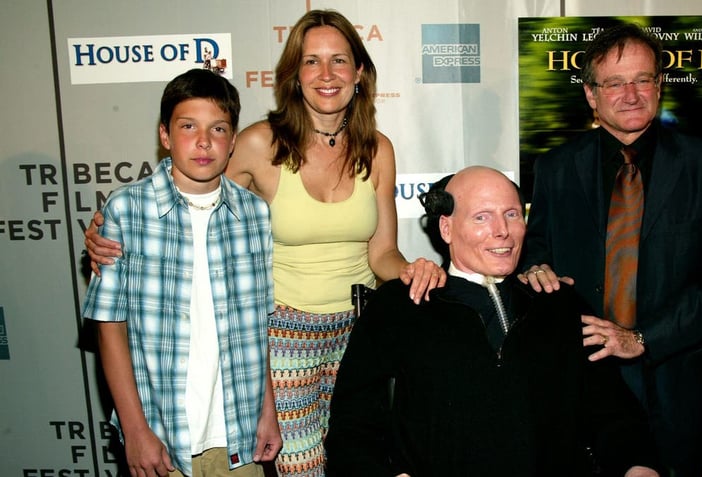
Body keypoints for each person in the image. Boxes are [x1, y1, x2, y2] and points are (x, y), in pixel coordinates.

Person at [84, 9, 446, 477]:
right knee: (303, 470)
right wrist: (111, 234)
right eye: (311, 61)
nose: (326, 74)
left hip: (361, 333)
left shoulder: (377, 148)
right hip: (283, 338)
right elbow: (193, 199)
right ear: (294, 76)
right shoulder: (255, 143)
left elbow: (381, 253)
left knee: (362, 459)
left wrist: (416, 271)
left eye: (339, 60)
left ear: (359, 73)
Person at [324, 166, 660, 477]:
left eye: (511, 214)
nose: (502, 231)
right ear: (446, 228)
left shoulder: (559, 303)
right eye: (482, 217)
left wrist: (638, 464)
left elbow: (613, 411)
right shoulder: (400, 306)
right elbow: (353, 425)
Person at [520, 23, 702, 476]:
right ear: (591, 94)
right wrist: (534, 268)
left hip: (675, 389)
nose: (631, 94)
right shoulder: (556, 168)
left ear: (659, 85)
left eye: (643, 79)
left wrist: (643, 339)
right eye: (614, 83)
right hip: (581, 389)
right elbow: (534, 250)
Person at [81, 68, 281, 477]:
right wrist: (136, 430)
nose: (204, 141)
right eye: (188, 126)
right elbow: (109, 327)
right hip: (161, 434)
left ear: (233, 142)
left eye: (219, 129)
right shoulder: (127, 211)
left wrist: (268, 412)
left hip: (237, 434)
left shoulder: (254, 214)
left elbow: (256, 324)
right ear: (165, 136)